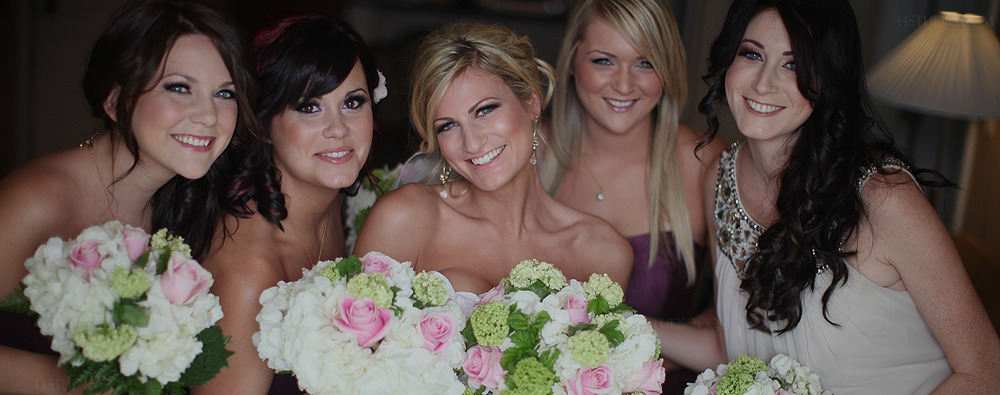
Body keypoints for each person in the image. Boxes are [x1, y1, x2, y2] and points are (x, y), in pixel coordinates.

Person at [660, 0, 1000, 393]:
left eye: (793, 64)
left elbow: (984, 372)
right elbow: (730, 344)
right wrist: (624, 327)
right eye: (752, 54)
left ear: (828, 79)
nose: (763, 83)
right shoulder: (720, 179)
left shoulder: (884, 199)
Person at [0, 1, 255, 393]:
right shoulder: (38, 200)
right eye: (179, 87)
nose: (209, 115)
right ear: (115, 100)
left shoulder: (188, 206)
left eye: (225, 94)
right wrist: (78, 386)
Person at [354, 22, 632, 299]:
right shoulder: (406, 219)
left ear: (532, 104)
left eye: (485, 110)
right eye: (448, 126)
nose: (472, 143)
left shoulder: (603, 254)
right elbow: (345, 338)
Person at [189, 13, 381, 394]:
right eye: (309, 107)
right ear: (263, 123)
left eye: (353, 102)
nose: (338, 129)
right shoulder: (248, 273)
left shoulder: (335, 205)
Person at [541, 0, 725, 390]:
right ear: (573, 61)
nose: (625, 85)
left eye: (645, 63)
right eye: (604, 61)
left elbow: (737, 323)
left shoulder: (705, 160)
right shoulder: (529, 152)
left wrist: (617, 344)